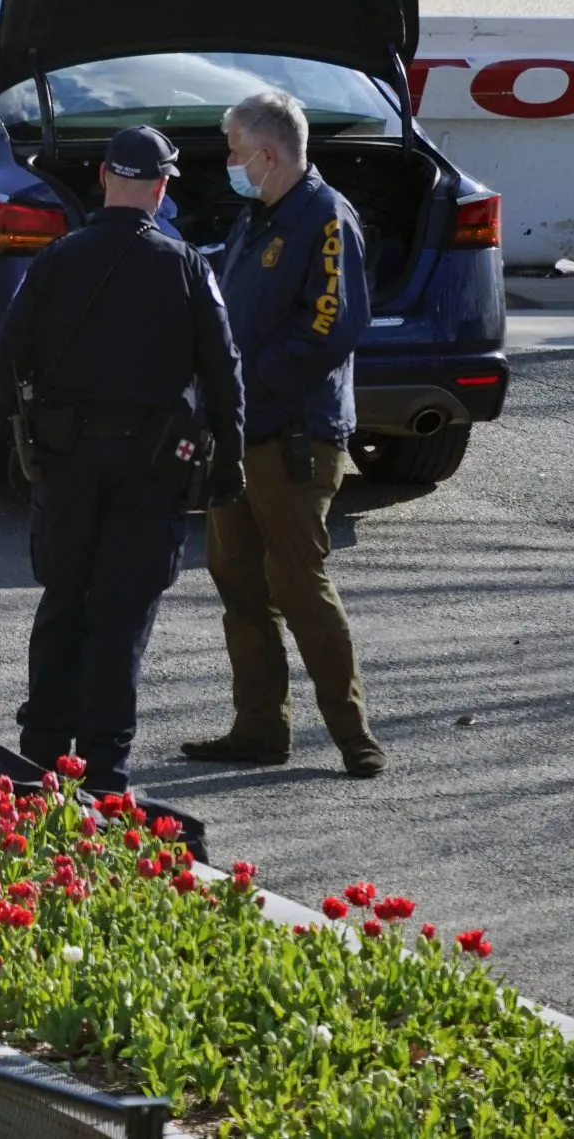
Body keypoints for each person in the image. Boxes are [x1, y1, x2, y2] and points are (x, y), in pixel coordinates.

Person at [0, 126, 243, 795]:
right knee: (123, 616)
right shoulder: (186, 266)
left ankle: (40, 753)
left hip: (68, 460)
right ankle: (105, 771)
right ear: (161, 187)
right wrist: (228, 460)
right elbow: (225, 373)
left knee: (64, 600)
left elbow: (2, 359)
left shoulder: (57, 259)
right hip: (152, 466)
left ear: (103, 175)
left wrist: (24, 438)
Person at [185, 90, 386, 778]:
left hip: (293, 435)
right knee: (236, 576)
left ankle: (354, 736)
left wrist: (248, 379)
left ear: (268, 155)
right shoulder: (256, 217)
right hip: (238, 433)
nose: (230, 164)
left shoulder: (325, 219)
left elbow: (333, 326)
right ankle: (259, 727)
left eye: (237, 152)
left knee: (297, 580)